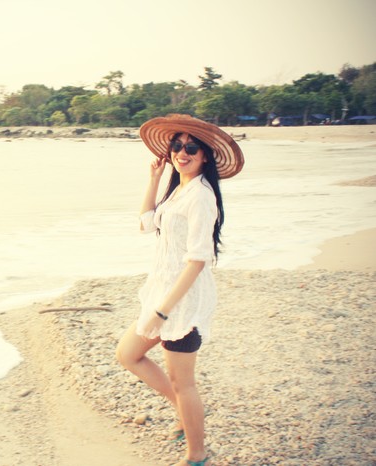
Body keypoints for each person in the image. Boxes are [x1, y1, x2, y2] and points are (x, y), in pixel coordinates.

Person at [116, 114, 244, 466]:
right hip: (161, 294)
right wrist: (154, 179)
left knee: (182, 382)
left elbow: (198, 261)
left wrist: (163, 312)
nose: (181, 152)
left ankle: (196, 455)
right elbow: (146, 224)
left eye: (191, 147)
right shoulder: (180, 190)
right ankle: (185, 414)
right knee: (128, 354)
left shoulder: (200, 196)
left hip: (182, 303)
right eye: (177, 145)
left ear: (205, 156)